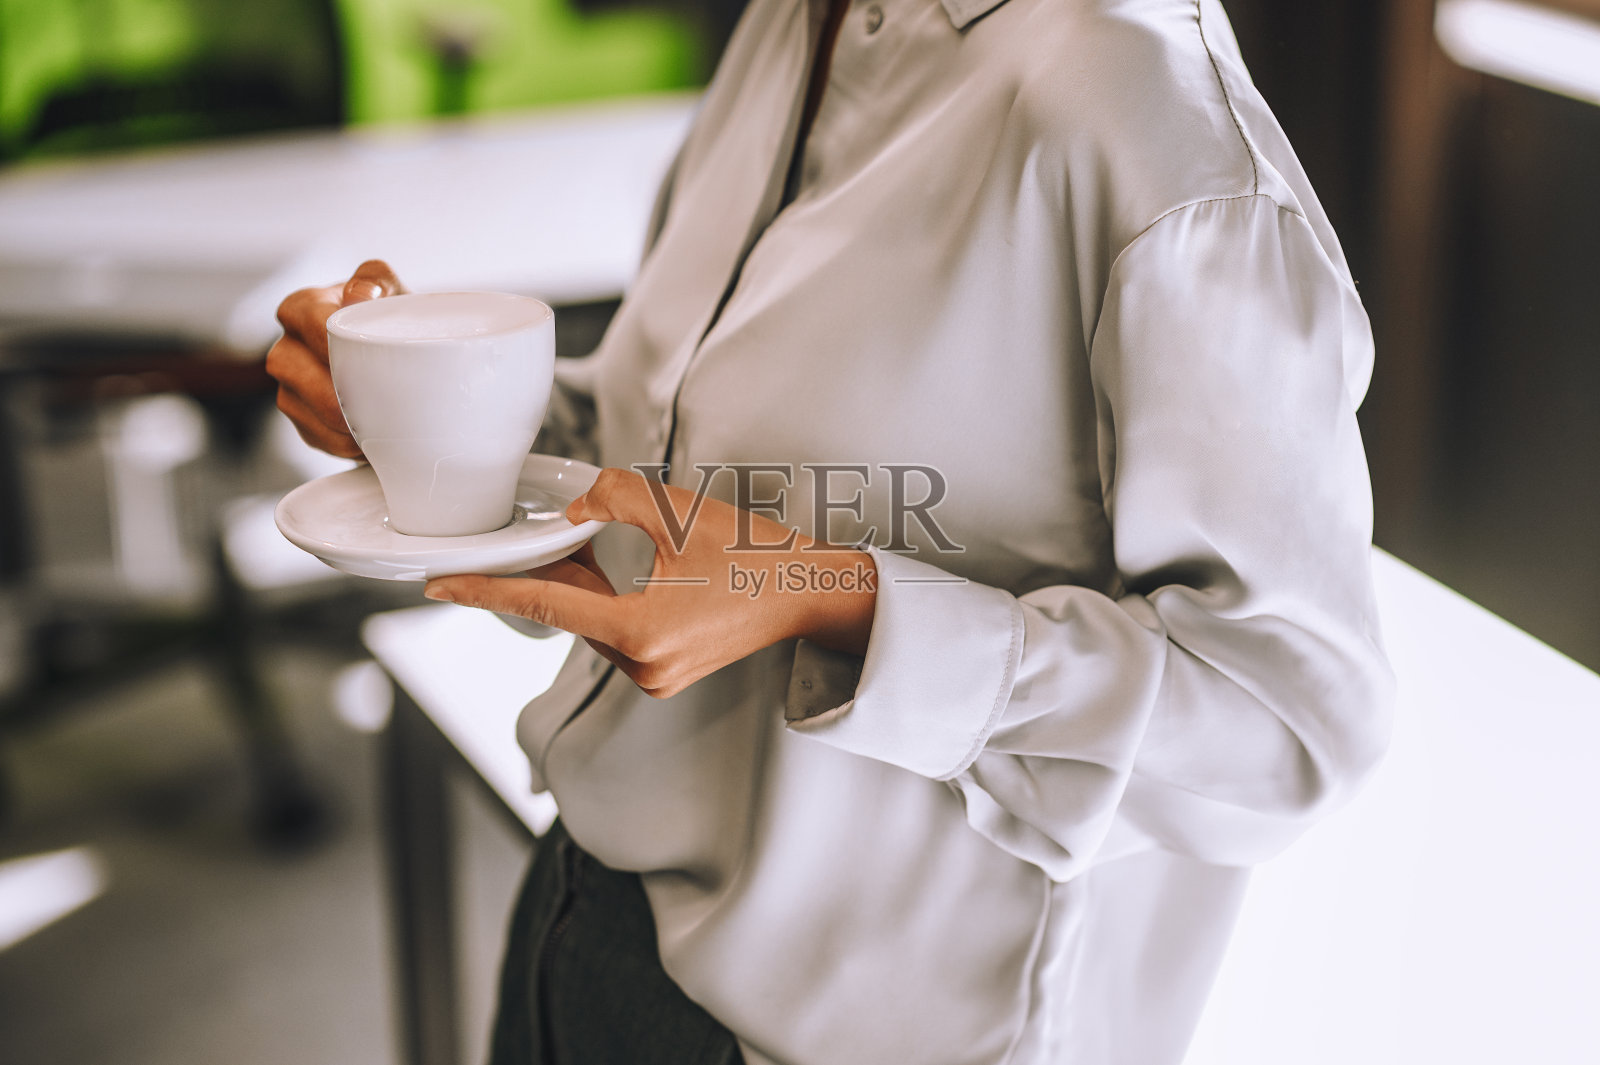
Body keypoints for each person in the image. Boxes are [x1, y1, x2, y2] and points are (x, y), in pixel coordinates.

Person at [269, 0, 1395, 1061]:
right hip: (579, 910)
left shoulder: (1151, 118)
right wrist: (435, 424)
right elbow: (671, 448)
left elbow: (1289, 721)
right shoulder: (796, 23)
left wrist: (826, 600)